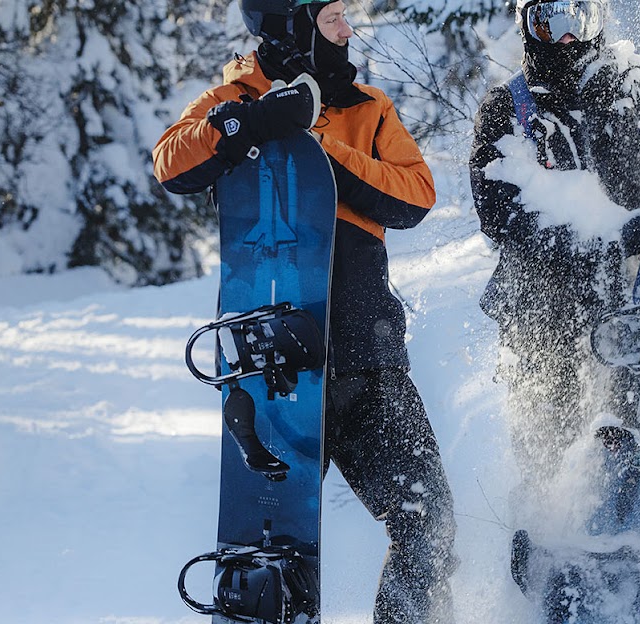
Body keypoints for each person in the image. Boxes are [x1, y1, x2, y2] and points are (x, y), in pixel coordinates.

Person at [152, 1, 457, 621]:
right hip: (278, 378)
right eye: (332, 17)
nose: (347, 30)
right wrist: (251, 125)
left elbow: (416, 195)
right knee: (271, 552)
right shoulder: (235, 95)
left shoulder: (368, 108)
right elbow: (171, 163)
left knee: (430, 525)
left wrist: (316, 151)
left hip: (371, 366)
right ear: (290, 24)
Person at [469, 0, 640, 617]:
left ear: (596, 20)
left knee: (632, 431)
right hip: (542, 314)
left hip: (628, 304)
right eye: (546, 21)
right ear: (525, 25)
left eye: (574, 18)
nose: (562, 37)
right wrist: (615, 234)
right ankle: (552, 562)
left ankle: (628, 550)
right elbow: (503, 216)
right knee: (554, 440)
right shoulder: (508, 108)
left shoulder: (635, 89)